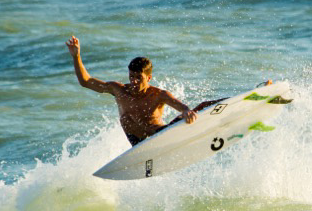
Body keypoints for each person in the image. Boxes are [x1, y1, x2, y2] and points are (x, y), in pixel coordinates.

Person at [66, 35, 223, 146]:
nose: (133, 81)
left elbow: (180, 106)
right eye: (131, 76)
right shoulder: (118, 90)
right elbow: (85, 82)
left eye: (138, 78)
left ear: (148, 78)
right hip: (138, 145)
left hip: (162, 137)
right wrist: (76, 57)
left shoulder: (158, 95)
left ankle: (236, 105)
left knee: (201, 107)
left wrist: (187, 111)